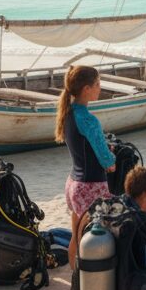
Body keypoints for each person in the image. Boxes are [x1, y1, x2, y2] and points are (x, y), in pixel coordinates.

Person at [55, 64, 115, 265]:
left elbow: (86, 147)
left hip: (74, 183)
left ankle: (75, 278)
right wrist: (112, 158)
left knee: (77, 236)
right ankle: (86, 281)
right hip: (91, 186)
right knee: (95, 238)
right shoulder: (89, 120)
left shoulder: (69, 113)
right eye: (97, 84)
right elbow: (107, 161)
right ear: (86, 89)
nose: (100, 88)